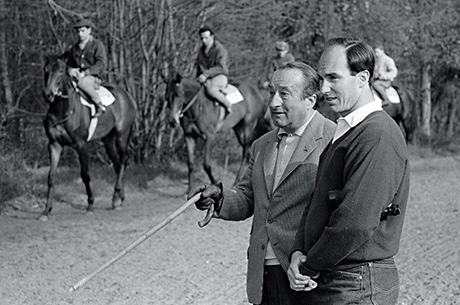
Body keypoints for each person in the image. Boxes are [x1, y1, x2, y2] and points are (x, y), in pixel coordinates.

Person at [189, 61, 336, 305]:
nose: (273, 103)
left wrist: (315, 263)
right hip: (263, 274)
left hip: (308, 276)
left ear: (310, 100)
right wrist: (219, 198)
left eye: (284, 94)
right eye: (272, 93)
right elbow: (248, 196)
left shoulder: (334, 139)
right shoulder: (261, 145)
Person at [288, 37, 410, 305]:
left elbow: (355, 222)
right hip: (338, 278)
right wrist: (298, 251)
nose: (324, 88)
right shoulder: (348, 130)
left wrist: (310, 265)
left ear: (363, 78)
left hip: (358, 282)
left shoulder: (376, 133)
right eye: (321, 78)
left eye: (333, 77)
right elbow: (318, 200)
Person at [67, 17, 107, 118]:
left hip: (93, 78)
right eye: (78, 31)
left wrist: (86, 73)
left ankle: (99, 105)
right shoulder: (74, 49)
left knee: (82, 83)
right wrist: (70, 70)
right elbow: (69, 64)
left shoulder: (97, 45)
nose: (80, 34)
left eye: (83, 31)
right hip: (76, 77)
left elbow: (101, 64)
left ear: (89, 30)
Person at [196, 26, 232, 115]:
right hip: (206, 77)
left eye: (206, 38)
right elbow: (199, 65)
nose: (203, 40)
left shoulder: (220, 49)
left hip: (220, 76)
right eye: (202, 38)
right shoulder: (201, 50)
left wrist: (205, 74)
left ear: (212, 37)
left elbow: (221, 67)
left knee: (211, 90)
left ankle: (228, 105)